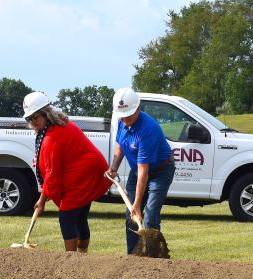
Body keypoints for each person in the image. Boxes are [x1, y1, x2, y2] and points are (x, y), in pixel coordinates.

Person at [23, 92, 111, 253]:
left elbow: (51, 173)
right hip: (86, 172)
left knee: (66, 217)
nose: (33, 123)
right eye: (29, 119)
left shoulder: (52, 137)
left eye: (36, 118)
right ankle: (82, 256)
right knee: (79, 217)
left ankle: (71, 261)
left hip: (83, 176)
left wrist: (42, 200)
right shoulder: (58, 124)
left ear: (46, 114)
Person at [105, 87, 175, 254]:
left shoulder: (148, 129)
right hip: (137, 171)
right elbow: (120, 146)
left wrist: (137, 203)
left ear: (138, 108)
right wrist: (113, 167)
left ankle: (153, 258)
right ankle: (133, 255)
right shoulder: (122, 122)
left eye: (129, 115)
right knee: (131, 217)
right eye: (122, 116)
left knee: (150, 215)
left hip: (160, 171)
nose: (125, 120)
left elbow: (144, 171)